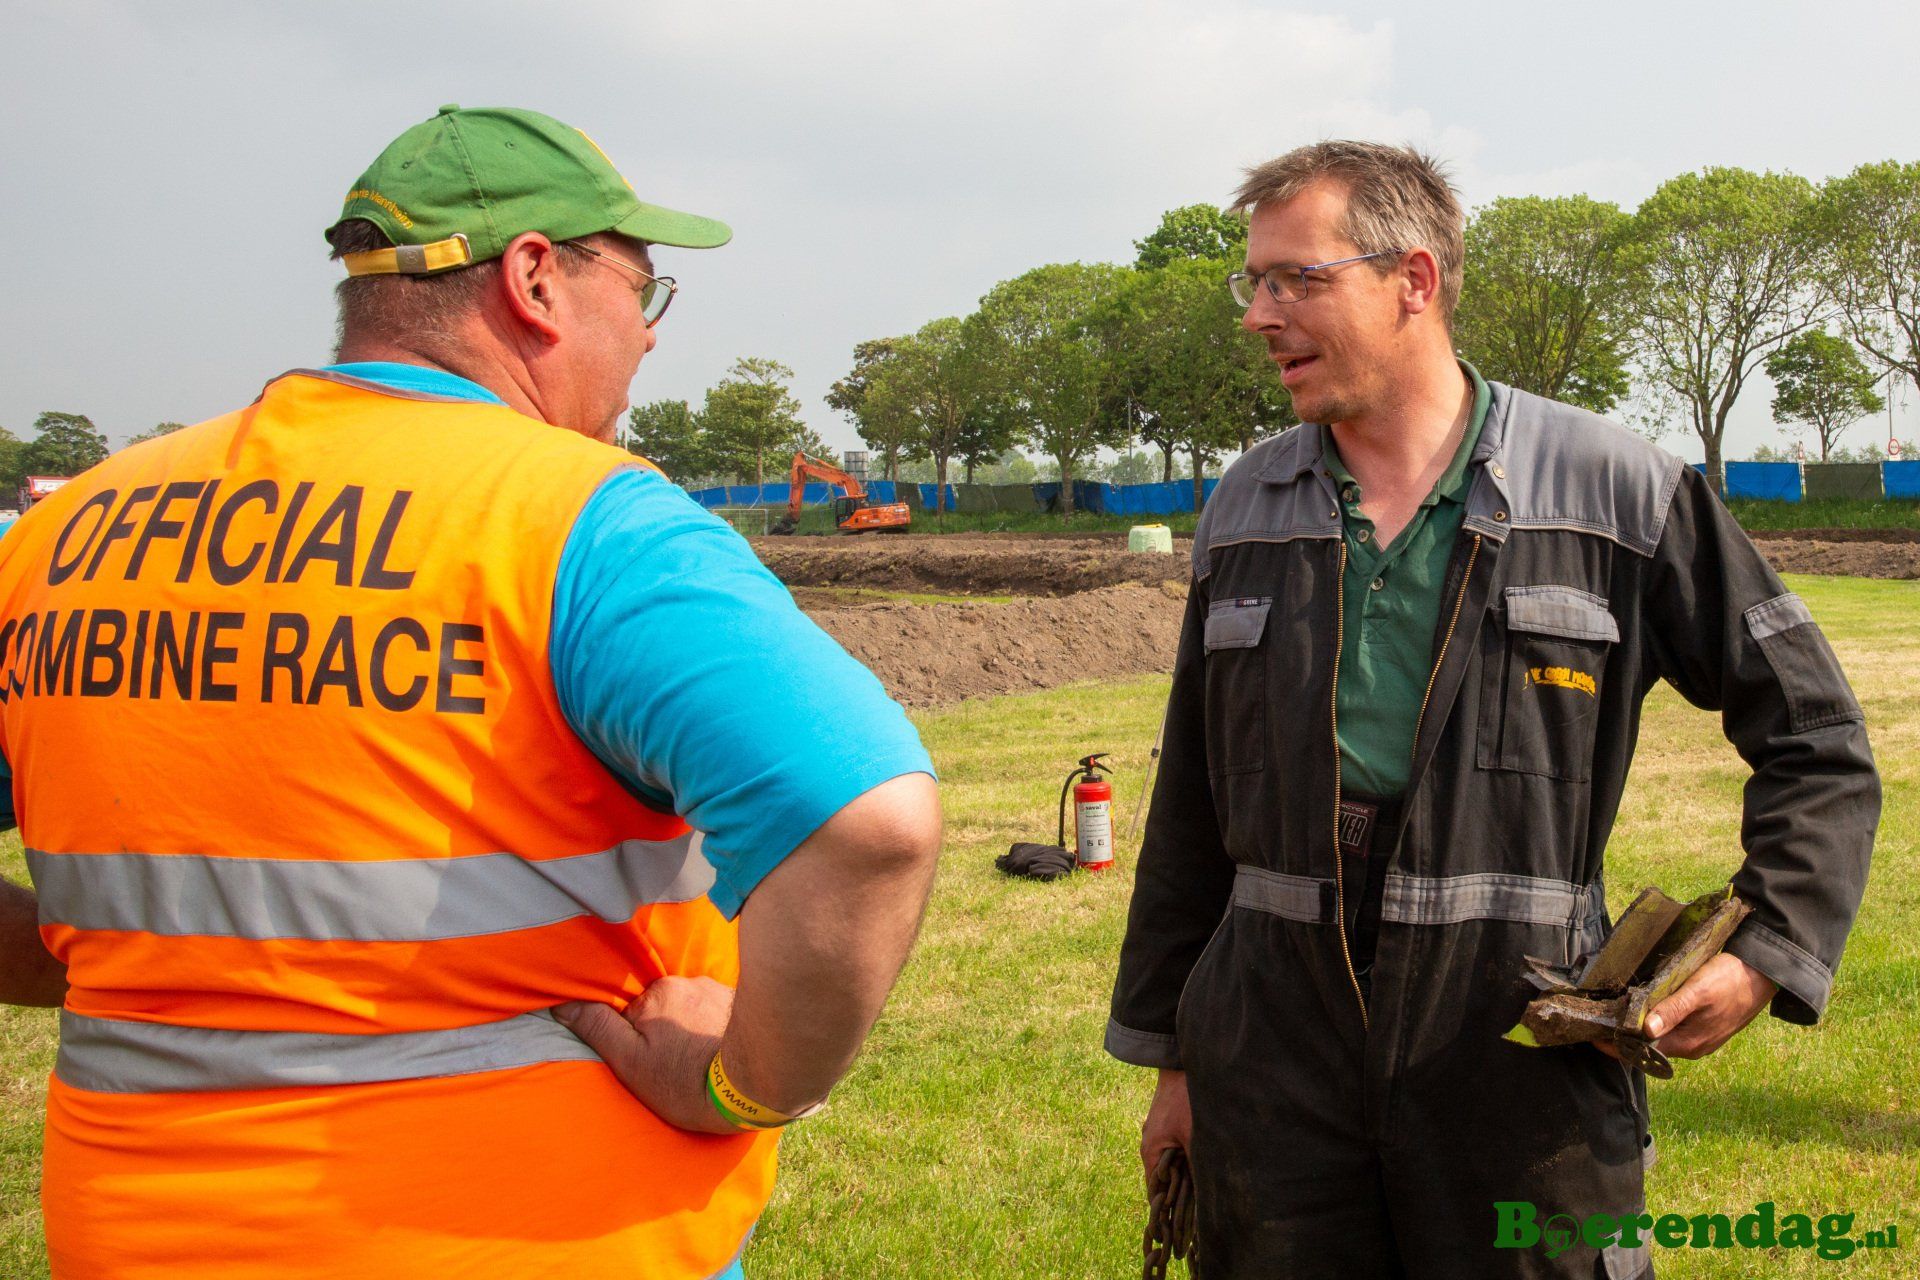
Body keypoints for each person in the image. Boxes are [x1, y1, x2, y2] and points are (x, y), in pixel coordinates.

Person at [0, 104, 942, 1280]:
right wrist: (743, 1084)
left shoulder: (66, 532)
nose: (650, 336)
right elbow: (866, 821)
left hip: (133, 1238)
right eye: (642, 290)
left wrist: (114, 960)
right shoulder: (585, 520)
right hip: (539, 1236)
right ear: (536, 280)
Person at [1106, 141, 1878, 1278]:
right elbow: (1189, 804)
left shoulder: (1619, 491)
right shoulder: (1245, 507)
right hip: (1269, 1065)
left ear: (1412, 280)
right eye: (1254, 282)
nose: (1261, 315)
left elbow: (1816, 734)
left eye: (1297, 279)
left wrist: (1768, 947)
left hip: (1522, 1060)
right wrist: (1178, 1060)